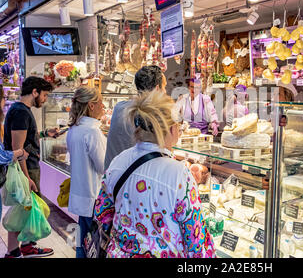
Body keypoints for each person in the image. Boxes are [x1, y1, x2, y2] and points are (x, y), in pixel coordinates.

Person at [93, 90, 216, 258]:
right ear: (171, 128)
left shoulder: (118, 161)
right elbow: (196, 240)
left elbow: (102, 212)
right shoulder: (179, 174)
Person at [3, 76, 60, 258]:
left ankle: (25, 247)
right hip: (25, 168)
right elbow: (17, 148)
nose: (44, 99)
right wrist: (26, 177)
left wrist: (44, 134)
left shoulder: (21, 110)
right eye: (44, 95)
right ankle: (14, 251)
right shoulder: (21, 112)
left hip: (27, 167)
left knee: (27, 208)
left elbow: (25, 138)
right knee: (23, 208)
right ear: (34, 92)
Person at [66, 87, 107, 258]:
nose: (103, 106)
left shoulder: (74, 129)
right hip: (93, 197)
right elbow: (103, 167)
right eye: (101, 102)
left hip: (81, 195)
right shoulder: (92, 132)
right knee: (95, 245)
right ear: (91, 105)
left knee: (83, 243)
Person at [104, 65, 167, 170]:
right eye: (164, 87)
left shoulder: (119, 108)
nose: (165, 92)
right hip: (134, 180)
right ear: (157, 88)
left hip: (112, 175)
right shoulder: (148, 116)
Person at [0, 85, 30, 222]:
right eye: (3, 98)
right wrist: (19, 152)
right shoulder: (21, 112)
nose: (4, 102)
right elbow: (1, 155)